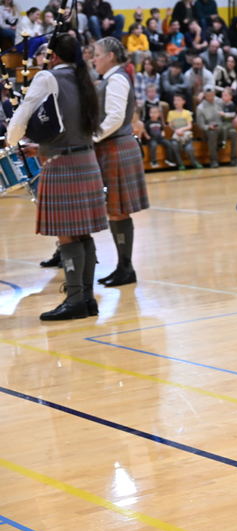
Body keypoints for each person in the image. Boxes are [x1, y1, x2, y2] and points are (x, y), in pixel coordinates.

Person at [7, 33, 106, 320]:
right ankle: (86, 298)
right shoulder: (85, 79)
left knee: (67, 234)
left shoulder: (46, 78)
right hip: (87, 160)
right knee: (82, 232)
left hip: (62, 164)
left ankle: (75, 300)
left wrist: (12, 139)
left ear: (53, 56)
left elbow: (21, 118)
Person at [92, 37, 149, 287]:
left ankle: (126, 268)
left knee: (118, 210)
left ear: (110, 56)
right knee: (115, 211)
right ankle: (123, 267)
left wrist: (90, 138)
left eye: (97, 54)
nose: (94, 59)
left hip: (117, 146)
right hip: (113, 147)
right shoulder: (111, 78)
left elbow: (115, 117)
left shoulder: (116, 79)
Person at [196, 85, 237, 167]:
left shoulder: (220, 101)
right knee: (213, 133)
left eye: (212, 94)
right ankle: (214, 160)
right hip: (210, 130)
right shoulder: (200, 108)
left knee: (234, 133)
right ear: (204, 95)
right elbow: (201, 125)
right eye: (208, 95)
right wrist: (208, 127)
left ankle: (234, 159)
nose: (211, 97)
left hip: (223, 126)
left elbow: (231, 106)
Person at [167, 93, 202, 169]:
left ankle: (194, 162)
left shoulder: (187, 113)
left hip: (185, 135)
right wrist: (176, 131)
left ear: (183, 102)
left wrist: (182, 130)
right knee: (174, 146)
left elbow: (190, 126)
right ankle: (180, 164)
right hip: (176, 135)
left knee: (189, 149)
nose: (176, 102)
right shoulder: (171, 113)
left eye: (178, 100)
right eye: (175, 100)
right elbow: (170, 126)